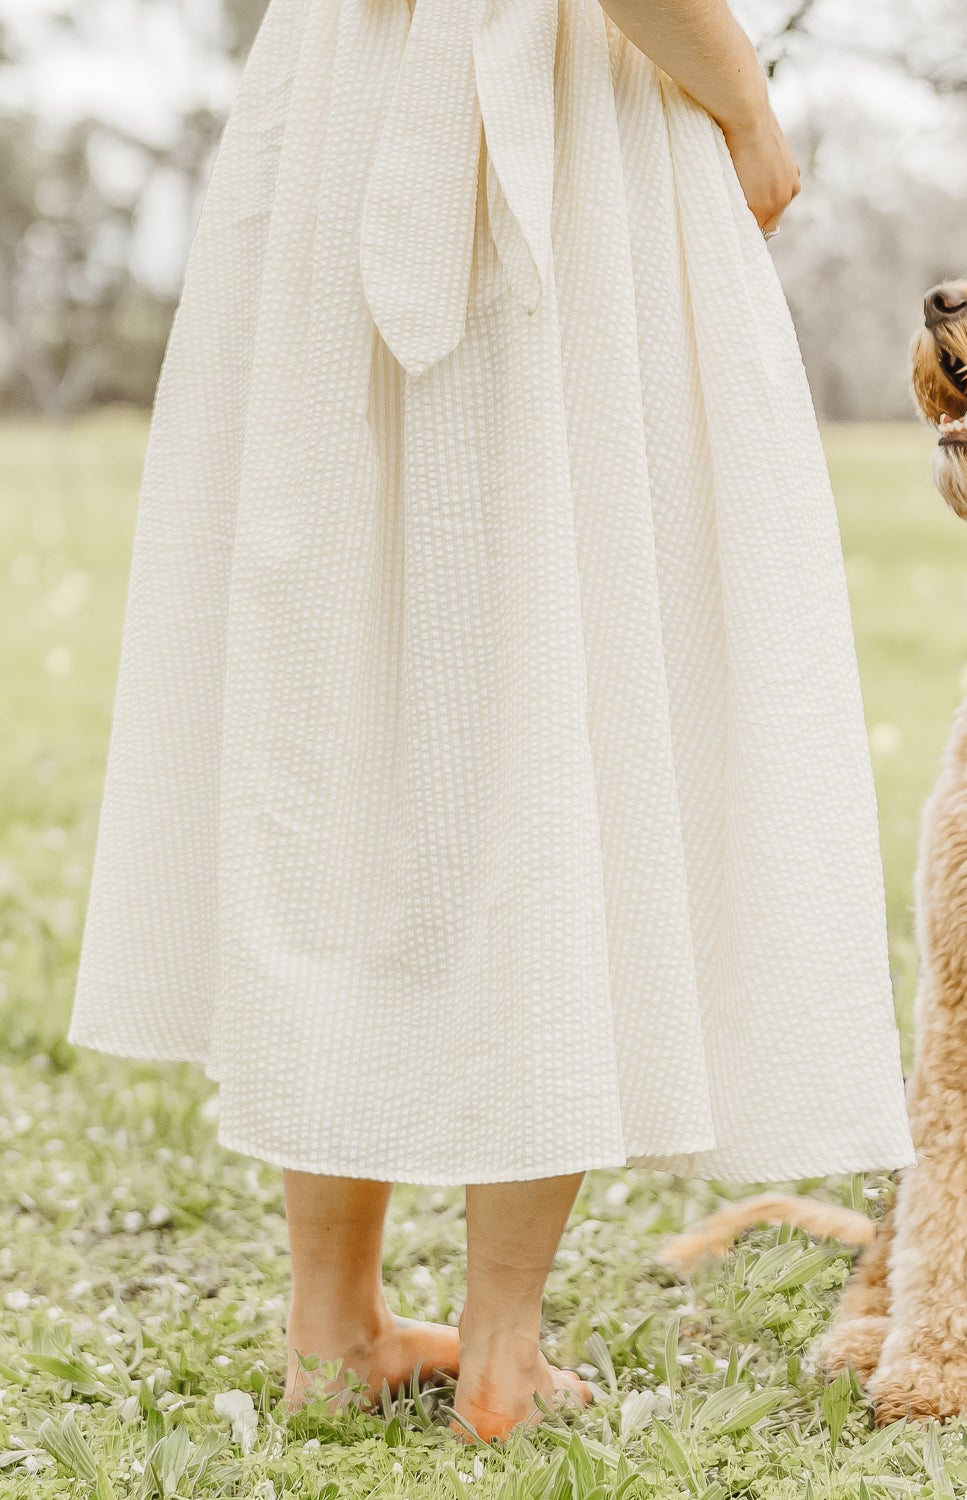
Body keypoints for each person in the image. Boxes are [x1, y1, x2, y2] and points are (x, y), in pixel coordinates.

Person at [67, 0, 913, 1444]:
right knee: (547, 682)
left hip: (333, 117)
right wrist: (747, 109)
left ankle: (332, 1322)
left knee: (349, 693)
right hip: (568, 127)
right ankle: (503, 1348)